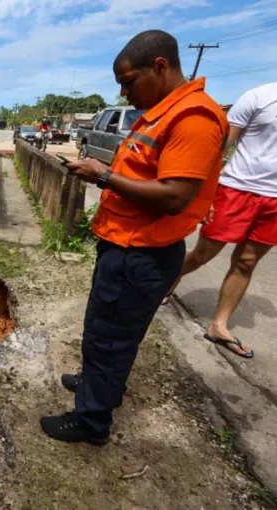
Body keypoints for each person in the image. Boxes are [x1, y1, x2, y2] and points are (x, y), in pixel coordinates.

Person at [40, 30, 230, 444]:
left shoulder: (193, 118)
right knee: (105, 330)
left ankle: (91, 421)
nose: (125, 93)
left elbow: (176, 196)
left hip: (140, 252)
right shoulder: (163, 111)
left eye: (129, 82)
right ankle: (99, 386)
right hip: (125, 245)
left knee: (109, 337)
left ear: (160, 67)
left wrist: (103, 175)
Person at [163, 83, 277, 359]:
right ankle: (170, 279)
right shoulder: (260, 96)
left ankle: (219, 325)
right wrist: (203, 194)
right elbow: (219, 147)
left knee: (247, 262)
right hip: (236, 188)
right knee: (203, 254)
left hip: (274, 200)